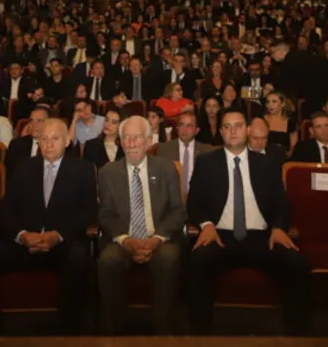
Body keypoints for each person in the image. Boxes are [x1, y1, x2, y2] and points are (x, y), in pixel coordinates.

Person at [186, 109, 311, 335]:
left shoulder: (267, 164)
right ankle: (199, 335)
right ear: (221, 132)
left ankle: (298, 335)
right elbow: (194, 203)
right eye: (227, 126)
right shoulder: (206, 163)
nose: (233, 131)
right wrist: (206, 225)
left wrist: (280, 228)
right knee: (197, 260)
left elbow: (282, 204)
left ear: (248, 130)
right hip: (220, 236)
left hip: (262, 238)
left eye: (238, 126)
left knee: (297, 262)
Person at [0, 119, 97, 335]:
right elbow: (4, 208)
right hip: (24, 243)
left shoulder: (83, 169)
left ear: (67, 141)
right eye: (43, 139)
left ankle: (69, 333)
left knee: (79, 259)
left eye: (55, 139)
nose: (48, 144)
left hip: (61, 245)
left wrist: (59, 235)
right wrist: (22, 235)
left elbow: (90, 211)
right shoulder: (24, 167)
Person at [96, 116, 186, 335]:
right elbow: (106, 214)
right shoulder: (108, 172)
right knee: (108, 261)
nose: (132, 143)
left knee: (168, 258)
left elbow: (178, 211)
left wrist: (155, 240)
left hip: (159, 238)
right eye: (126, 138)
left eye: (137, 138)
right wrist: (126, 241)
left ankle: (163, 330)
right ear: (120, 142)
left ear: (148, 142)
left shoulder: (167, 168)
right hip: (123, 240)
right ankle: (113, 331)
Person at [155, 111, 213, 196]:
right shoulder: (164, 149)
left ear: (197, 130)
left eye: (189, 126)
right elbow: (159, 181)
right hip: (172, 199)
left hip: (199, 199)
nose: (184, 129)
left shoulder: (207, 151)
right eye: (181, 125)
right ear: (177, 128)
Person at [5, 106, 50, 174]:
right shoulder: (17, 145)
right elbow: (10, 175)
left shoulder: (56, 145)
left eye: (39, 121)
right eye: (31, 120)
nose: (34, 124)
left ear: (50, 123)